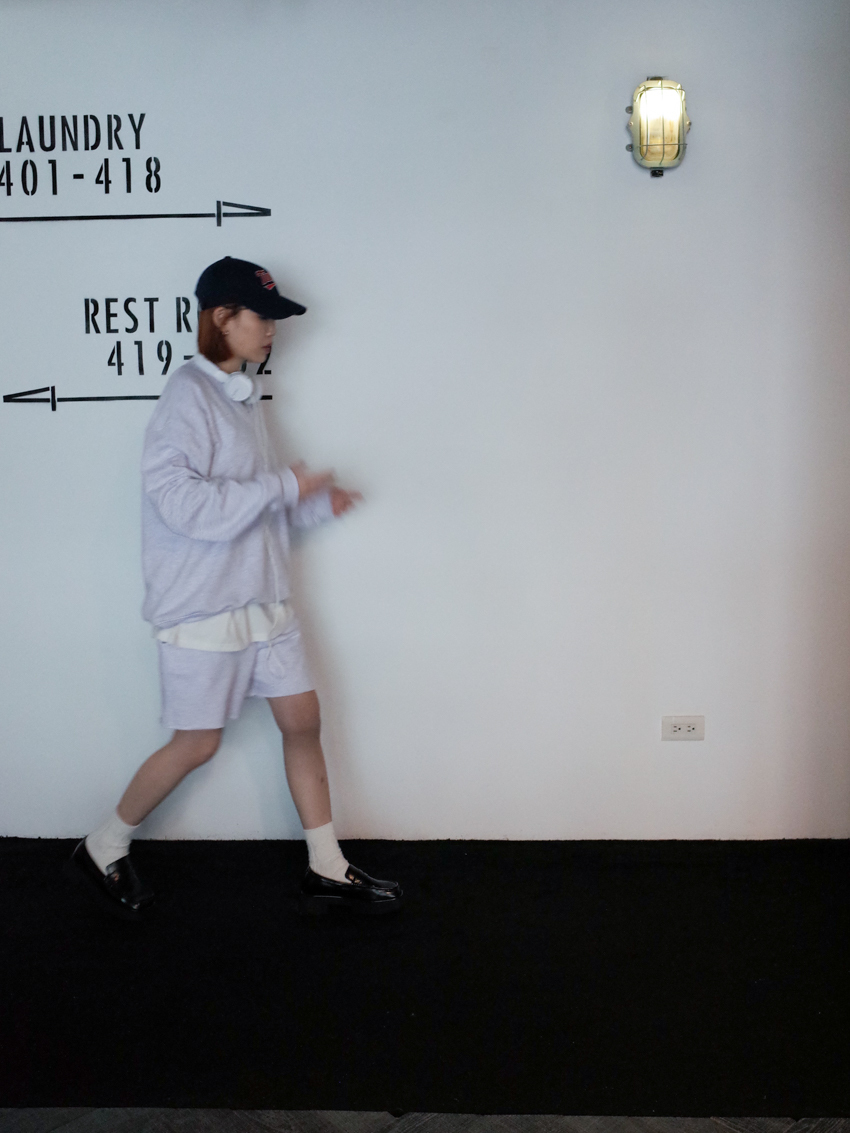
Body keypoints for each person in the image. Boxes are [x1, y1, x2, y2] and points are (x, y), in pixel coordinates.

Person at [65, 256, 402, 920]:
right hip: (204, 608)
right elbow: (183, 506)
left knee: (301, 718)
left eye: (275, 319)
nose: (272, 330)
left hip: (262, 601)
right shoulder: (186, 397)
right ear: (223, 317)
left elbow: (255, 506)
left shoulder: (240, 398)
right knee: (198, 743)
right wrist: (287, 485)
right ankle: (104, 844)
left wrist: (314, 504)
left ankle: (326, 865)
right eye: (261, 316)